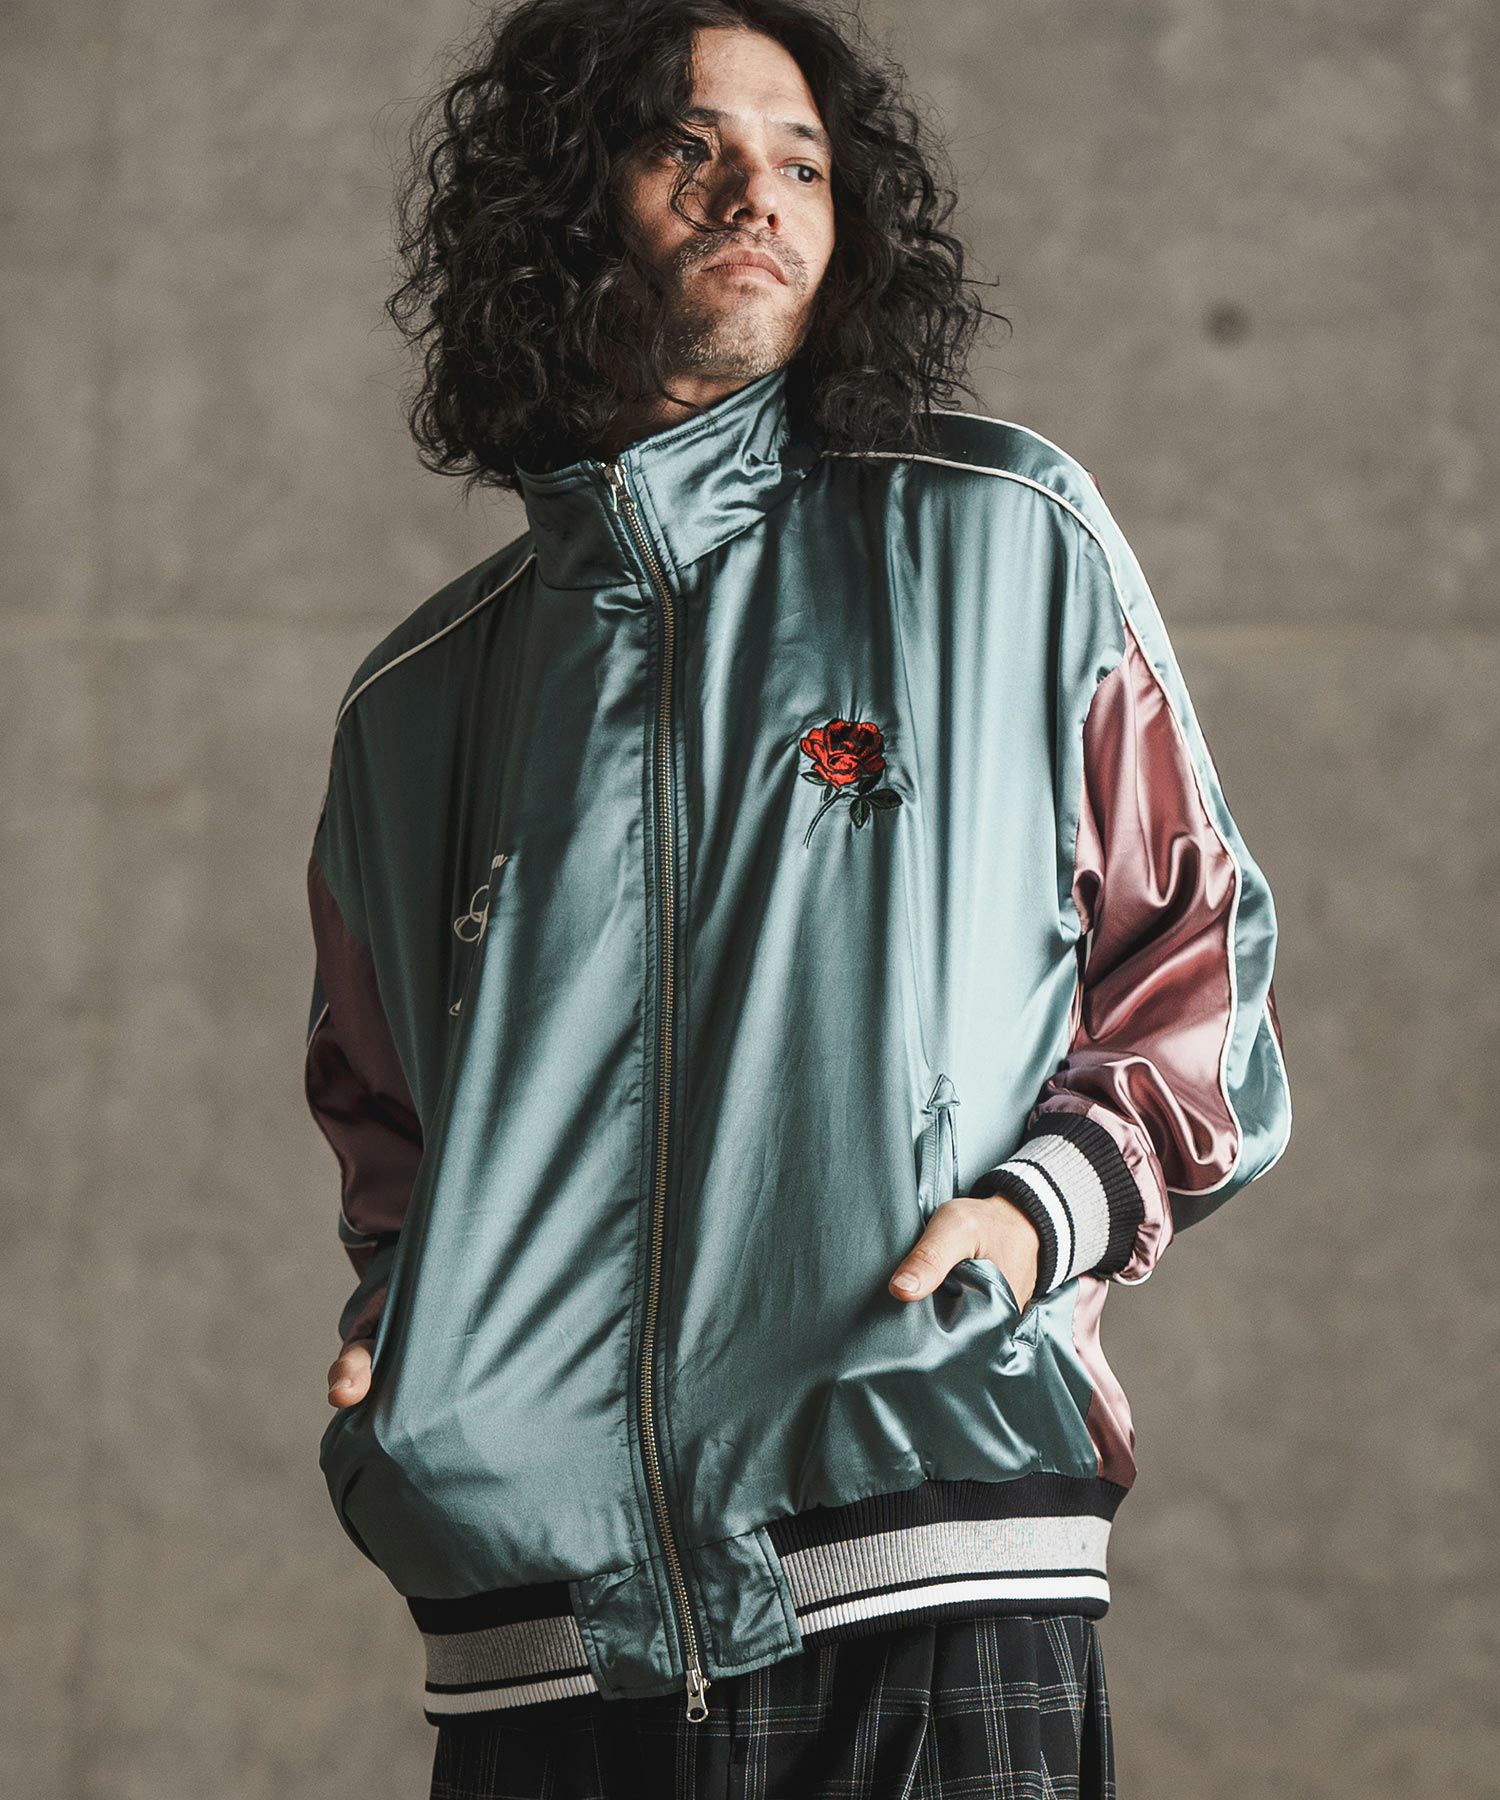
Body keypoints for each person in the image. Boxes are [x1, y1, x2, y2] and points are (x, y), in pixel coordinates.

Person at [302, 1, 1293, 1794]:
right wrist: (403, 1325)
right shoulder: (416, 708)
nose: (756, 194)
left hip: (930, 1563)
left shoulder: (999, 536)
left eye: (805, 164)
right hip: (538, 1645)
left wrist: (1035, 1220)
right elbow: (390, 1134)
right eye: (689, 146)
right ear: (560, 202)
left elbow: (1196, 965)